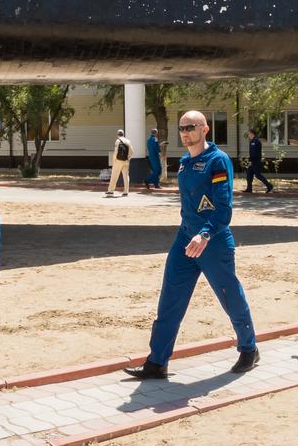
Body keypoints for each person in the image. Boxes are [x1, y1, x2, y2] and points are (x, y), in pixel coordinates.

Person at [124, 111, 259, 379]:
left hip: (214, 241)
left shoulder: (217, 161)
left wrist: (205, 234)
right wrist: (191, 233)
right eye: (182, 128)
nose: (185, 132)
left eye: (191, 127)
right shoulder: (185, 162)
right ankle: (157, 362)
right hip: (185, 240)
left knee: (229, 295)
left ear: (205, 129)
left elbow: (224, 208)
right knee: (170, 299)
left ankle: (249, 348)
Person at [244, 128, 273, 194]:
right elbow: (251, 152)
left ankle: (269, 186)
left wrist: (251, 161)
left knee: (258, 175)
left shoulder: (256, 141)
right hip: (252, 161)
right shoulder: (252, 141)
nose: (248, 135)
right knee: (249, 174)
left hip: (256, 161)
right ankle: (249, 189)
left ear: (252, 133)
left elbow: (255, 153)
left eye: (248, 133)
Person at [107, 129, 133, 197]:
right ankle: (126, 191)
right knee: (126, 176)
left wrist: (114, 160)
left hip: (118, 161)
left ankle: (110, 191)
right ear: (123, 134)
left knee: (114, 175)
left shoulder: (118, 141)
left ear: (117, 134)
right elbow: (131, 151)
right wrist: (128, 158)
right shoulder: (128, 141)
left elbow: (116, 152)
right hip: (126, 161)